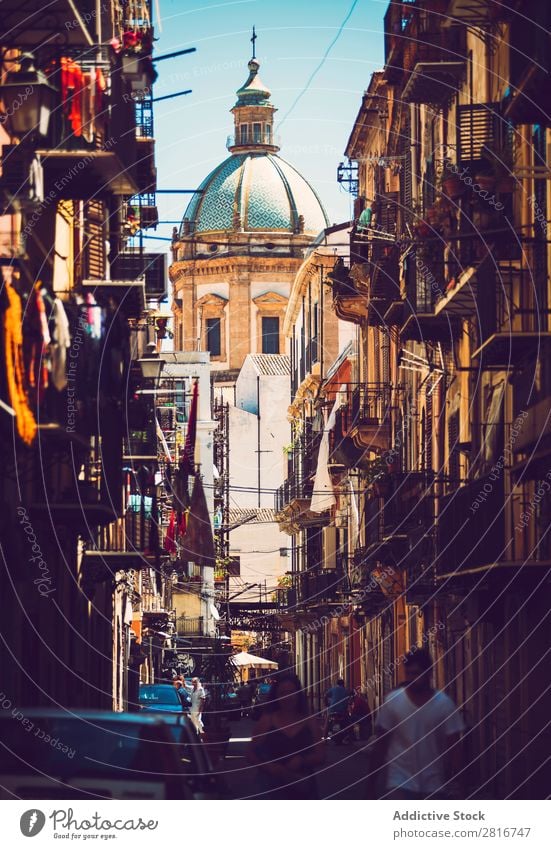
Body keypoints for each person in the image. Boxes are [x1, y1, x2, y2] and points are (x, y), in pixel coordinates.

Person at [367, 647, 465, 799]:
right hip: (399, 784)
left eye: (417, 673)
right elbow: (381, 745)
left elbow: (455, 749)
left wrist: (460, 786)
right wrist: (371, 785)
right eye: (408, 673)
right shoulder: (393, 702)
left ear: (429, 674)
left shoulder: (444, 705)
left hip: (433, 786)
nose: (412, 678)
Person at [248, 673, 325, 799]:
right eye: (282, 693)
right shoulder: (267, 720)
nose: (287, 697)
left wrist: (303, 760)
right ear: (276, 696)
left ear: (298, 694)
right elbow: (250, 753)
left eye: (291, 692)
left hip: (303, 788)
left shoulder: (310, 721)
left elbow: (321, 755)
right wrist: (270, 767)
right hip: (272, 789)